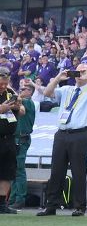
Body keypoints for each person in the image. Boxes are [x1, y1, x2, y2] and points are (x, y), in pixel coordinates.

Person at [37, 63, 87, 216]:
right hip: (62, 133)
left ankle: (79, 206)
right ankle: (51, 205)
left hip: (80, 134)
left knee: (79, 171)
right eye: (77, 71)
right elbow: (47, 92)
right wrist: (58, 78)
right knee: (56, 170)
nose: (79, 74)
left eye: (83, 71)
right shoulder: (67, 89)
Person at [6, 81, 36, 211]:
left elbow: (17, 100)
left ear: (30, 91)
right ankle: (12, 199)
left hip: (22, 139)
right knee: (13, 170)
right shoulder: (21, 103)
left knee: (19, 169)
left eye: (24, 89)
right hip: (16, 138)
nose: (21, 90)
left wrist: (9, 87)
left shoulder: (28, 102)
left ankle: (20, 199)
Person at [0, 75, 24, 214]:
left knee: (6, 172)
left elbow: (22, 111)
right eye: (1, 83)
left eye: (5, 83)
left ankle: (2, 204)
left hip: (8, 139)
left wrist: (16, 107)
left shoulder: (10, 94)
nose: (3, 86)